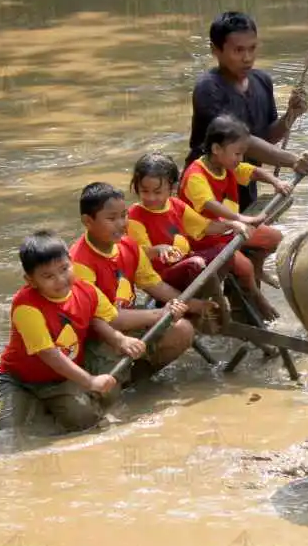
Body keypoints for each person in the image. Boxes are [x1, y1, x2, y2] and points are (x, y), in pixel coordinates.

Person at [0, 230, 147, 444]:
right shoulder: (25, 306)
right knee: (6, 432)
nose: (60, 280)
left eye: (64, 269)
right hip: (18, 379)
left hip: (61, 378)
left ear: (72, 262)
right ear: (31, 280)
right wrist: (90, 381)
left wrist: (120, 340)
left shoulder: (86, 290)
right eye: (48, 276)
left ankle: (48, 405)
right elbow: (50, 355)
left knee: (84, 419)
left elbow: (100, 318)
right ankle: (32, 402)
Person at [69, 182, 203, 389]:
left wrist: (196, 305)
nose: (122, 224)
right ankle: (119, 382)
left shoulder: (129, 245)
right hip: (97, 336)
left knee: (183, 330)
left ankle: (138, 380)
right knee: (107, 389)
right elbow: (105, 319)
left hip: (129, 320)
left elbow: (153, 284)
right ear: (87, 221)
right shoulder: (78, 262)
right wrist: (160, 314)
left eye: (124, 215)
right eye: (112, 218)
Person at [186, 9, 308, 213]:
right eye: (238, 50)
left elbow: (266, 137)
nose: (247, 58)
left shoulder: (262, 81)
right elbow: (242, 141)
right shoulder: (208, 88)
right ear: (215, 50)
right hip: (207, 191)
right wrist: (292, 160)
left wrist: (291, 115)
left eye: (252, 48)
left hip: (245, 185)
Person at [180, 115, 291, 321]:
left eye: (242, 153)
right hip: (204, 237)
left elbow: (250, 171)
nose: (240, 158)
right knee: (244, 267)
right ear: (216, 149)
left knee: (275, 238)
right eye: (237, 153)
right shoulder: (196, 175)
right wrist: (241, 218)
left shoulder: (226, 165)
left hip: (231, 229)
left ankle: (256, 272)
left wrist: (275, 180)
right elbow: (208, 204)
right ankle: (256, 297)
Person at [127, 151, 252, 331]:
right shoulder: (135, 215)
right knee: (196, 263)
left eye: (157, 192)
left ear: (172, 187)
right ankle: (197, 307)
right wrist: (157, 249)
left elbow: (204, 226)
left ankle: (204, 301)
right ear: (136, 187)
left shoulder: (175, 205)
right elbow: (139, 254)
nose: (151, 198)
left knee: (224, 251)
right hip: (163, 276)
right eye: (144, 191)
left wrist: (232, 224)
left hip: (184, 266)